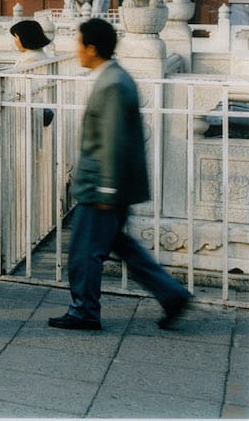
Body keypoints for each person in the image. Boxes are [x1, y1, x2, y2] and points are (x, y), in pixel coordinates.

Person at [49, 18, 192, 332]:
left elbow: (113, 143)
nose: (77, 50)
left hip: (104, 186)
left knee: (84, 252)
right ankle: (172, 294)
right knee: (122, 247)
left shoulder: (112, 84)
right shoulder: (111, 77)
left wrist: (107, 191)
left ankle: (84, 311)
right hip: (109, 184)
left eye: (79, 44)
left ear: (92, 47)